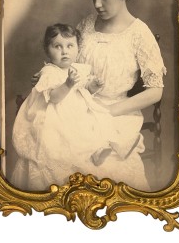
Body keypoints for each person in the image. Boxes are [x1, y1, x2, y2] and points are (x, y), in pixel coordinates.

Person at [10, 23, 143, 191]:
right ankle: (93, 151)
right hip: (57, 114)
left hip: (77, 109)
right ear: (47, 50)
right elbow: (54, 97)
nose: (64, 51)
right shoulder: (49, 72)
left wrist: (93, 86)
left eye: (69, 46)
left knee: (99, 120)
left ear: (77, 48)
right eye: (57, 46)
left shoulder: (77, 69)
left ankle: (110, 146)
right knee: (72, 133)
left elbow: (85, 89)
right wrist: (67, 84)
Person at [74, 0, 166, 190]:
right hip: (78, 106)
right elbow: (68, 66)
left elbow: (155, 91)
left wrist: (107, 111)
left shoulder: (139, 33)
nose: (97, 4)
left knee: (103, 163)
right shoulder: (86, 25)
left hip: (116, 113)